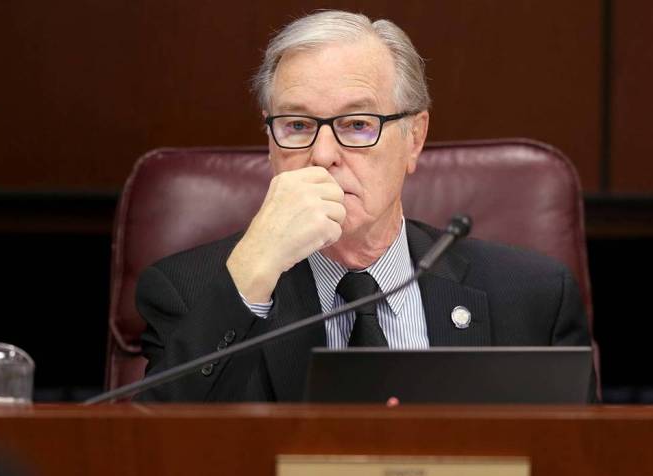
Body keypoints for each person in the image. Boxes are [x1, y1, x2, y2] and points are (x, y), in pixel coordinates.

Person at [135, 10, 593, 402]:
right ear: (270, 139)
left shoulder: (532, 297)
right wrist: (251, 276)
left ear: (414, 138)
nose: (322, 154)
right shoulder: (187, 293)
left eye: (357, 124)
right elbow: (150, 449)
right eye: (296, 125)